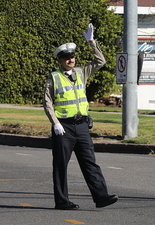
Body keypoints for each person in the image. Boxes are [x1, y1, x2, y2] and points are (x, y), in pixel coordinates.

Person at [43, 23, 118, 210]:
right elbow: (47, 103)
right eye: (67, 58)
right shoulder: (53, 77)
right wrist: (55, 123)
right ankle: (62, 201)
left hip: (82, 125)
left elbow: (101, 62)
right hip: (64, 127)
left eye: (73, 57)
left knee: (90, 162)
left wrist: (92, 42)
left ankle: (101, 197)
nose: (71, 60)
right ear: (59, 60)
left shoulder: (81, 72)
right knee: (61, 166)